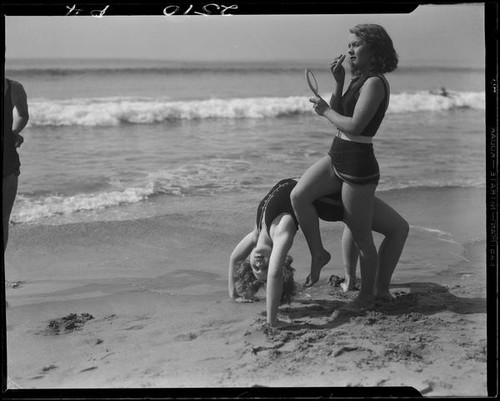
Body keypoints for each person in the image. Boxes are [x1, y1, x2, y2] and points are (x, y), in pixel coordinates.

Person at [290, 24, 399, 309]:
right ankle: (318, 254)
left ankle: (366, 298)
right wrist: (338, 83)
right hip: (337, 155)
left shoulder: (375, 82)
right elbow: (340, 110)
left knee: (362, 236)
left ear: (375, 50)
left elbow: (355, 125)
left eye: (356, 45)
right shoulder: (358, 79)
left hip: (358, 165)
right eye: (348, 44)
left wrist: (325, 111)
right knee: (298, 196)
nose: (350, 49)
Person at [228, 178, 408, 328]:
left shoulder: (258, 232)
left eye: (255, 268)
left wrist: (233, 294)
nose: (259, 264)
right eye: (265, 267)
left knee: (355, 222)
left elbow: (234, 258)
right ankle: (379, 290)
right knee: (395, 228)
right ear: (278, 260)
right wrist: (272, 322)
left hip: (321, 185)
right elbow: (275, 275)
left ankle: (351, 281)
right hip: (330, 196)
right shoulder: (283, 232)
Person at [3, 78, 29, 252]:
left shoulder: (14, 87)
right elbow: (23, 116)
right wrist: (12, 134)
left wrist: (12, 134)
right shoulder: (14, 87)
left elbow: (23, 115)